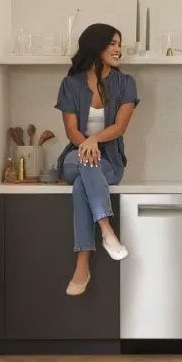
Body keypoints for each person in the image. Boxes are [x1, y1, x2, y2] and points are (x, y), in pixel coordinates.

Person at [54, 23, 140, 296]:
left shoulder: (125, 83)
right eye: (112, 44)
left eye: (119, 44)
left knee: (82, 186)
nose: (118, 49)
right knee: (84, 164)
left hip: (109, 162)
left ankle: (83, 264)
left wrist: (94, 141)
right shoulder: (70, 84)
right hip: (74, 157)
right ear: (96, 46)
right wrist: (85, 143)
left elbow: (120, 127)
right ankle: (106, 229)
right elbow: (70, 129)